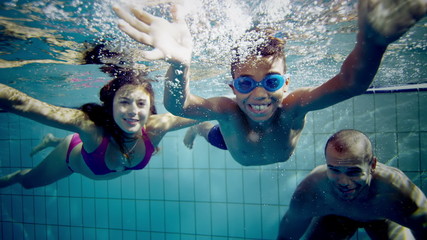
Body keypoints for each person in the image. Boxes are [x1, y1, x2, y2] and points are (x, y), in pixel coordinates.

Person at [113, 0, 427, 166]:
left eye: (272, 81)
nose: (260, 94)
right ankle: (197, 129)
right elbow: (177, 105)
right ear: (233, 87)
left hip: (239, 145)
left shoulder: (293, 107)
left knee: (214, 124)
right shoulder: (228, 110)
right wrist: (179, 65)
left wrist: (373, 42)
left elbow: (349, 83)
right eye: (246, 84)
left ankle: (199, 128)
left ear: (287, 84)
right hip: (225, 139)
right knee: (208, 127)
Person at [0, 70, 197, 188]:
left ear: (149, 108)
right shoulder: (90, 126)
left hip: (91, 153)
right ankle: (16, 175)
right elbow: (21, 103)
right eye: (124, 102)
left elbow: (206, 111)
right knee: (27, 183)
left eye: (140, 103)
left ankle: (52, 140)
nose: (133, 112)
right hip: (71, 156)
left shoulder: (157, 127)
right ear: (111, 105)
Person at [276, 129, 427, 239]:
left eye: (353, 172)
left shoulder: (395, 190)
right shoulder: (311, 190)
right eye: (334, 170)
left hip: (381, 219)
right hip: (334, 218)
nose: (343, 182)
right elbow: (286, 237)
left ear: (372, 165)